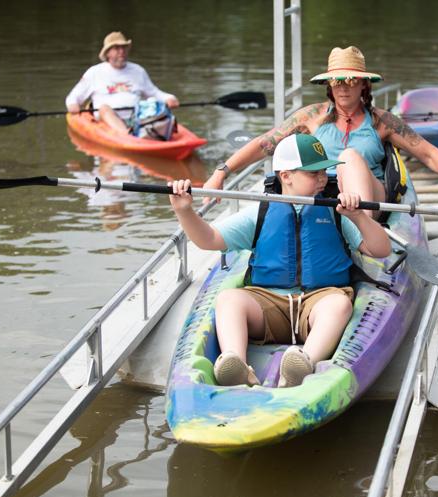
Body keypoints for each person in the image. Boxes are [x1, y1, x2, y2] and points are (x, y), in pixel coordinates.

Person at [168, 134, 392, 388]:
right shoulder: (260, 212)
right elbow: (209, 239)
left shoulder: (335, 211)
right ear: (285, 176)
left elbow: (380, 249)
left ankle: (304, 362)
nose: (322, 178)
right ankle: (235, 363)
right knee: (229, 299)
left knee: (339, 304)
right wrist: (184, 210)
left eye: (323, 171)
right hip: (268, 303)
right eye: (312, 173)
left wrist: (360, 217)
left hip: (318, 301)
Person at [202, 46, 438, 214]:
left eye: (351, 81)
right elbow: (265, 144)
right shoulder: (311, 116)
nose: (343, 87)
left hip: (369, 198)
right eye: (336, 81)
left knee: (351, 158)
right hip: (319, 193)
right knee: (293, 176)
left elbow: (427, 153)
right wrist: (220, 173)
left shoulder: (382, 121)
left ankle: (360, 235)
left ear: (364, 86)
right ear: (329, 86)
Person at [65, 31, 180, 135]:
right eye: (117, 48)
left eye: (124, 48)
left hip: (137, 118)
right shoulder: (94, 72)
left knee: (152, 104)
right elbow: (73, 97)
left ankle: (150, 133)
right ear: (107, 53)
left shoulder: (138, 71)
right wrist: (73, 105)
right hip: (106, 121)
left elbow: (154, 92)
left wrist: (169, 98)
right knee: (104, 108)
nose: (122, 51)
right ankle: (126, 135)